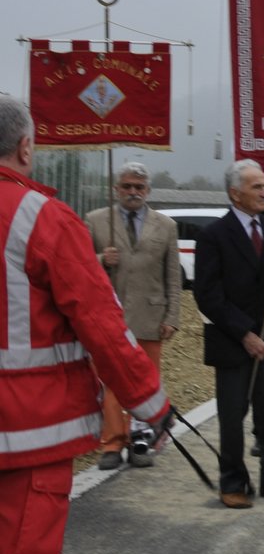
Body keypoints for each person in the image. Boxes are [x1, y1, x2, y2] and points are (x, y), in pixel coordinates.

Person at [0, 97, 172, 554]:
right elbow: (102, 325)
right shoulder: (42, 217)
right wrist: (152, 407)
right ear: (24, 149)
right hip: (28, 433)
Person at [192, 159, 264, 509]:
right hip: (232, 341)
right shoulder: (213, 236)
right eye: (256, 186)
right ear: (235, 194)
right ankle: (233, 481)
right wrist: (244, 334)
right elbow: (207, 295)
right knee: (232, 416)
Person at [85, 160, 180, 471]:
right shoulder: (96, 221)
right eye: (126, 186)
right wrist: (101, 258)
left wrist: (172, 316)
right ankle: (112, 443)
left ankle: (141, 441)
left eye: (138, 187)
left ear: (148, 191)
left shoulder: (166, 226)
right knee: (110, 383)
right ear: (116, 189)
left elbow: (173, 276)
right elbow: (79, 267)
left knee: (145, 383)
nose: (132, 192)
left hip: (151, 317)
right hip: (109, 318)